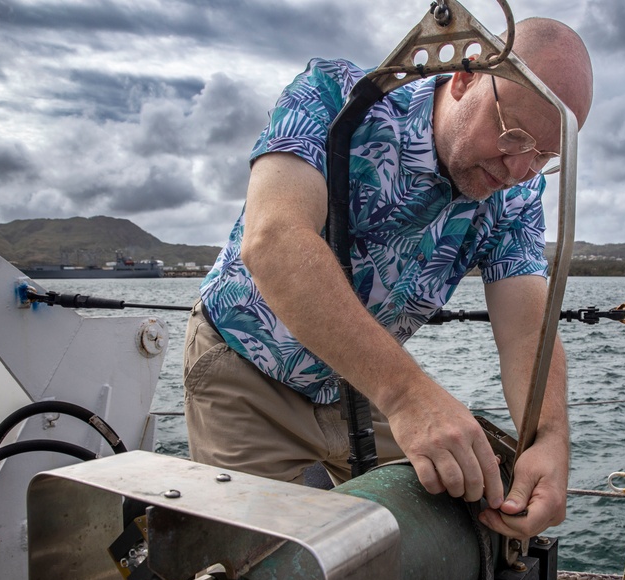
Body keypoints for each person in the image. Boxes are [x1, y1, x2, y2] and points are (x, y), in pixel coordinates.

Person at [184, 17, 593, 541]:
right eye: (514, 134)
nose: (518, 168)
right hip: (245, 369)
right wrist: (406, 397)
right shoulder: (333, 97)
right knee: (267, 576)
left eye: (543, 157)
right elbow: (273, 241)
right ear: (466, 77)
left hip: (357, 380)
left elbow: (526, 328)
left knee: (479, 514)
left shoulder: (513, 198)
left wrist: (551, 439)